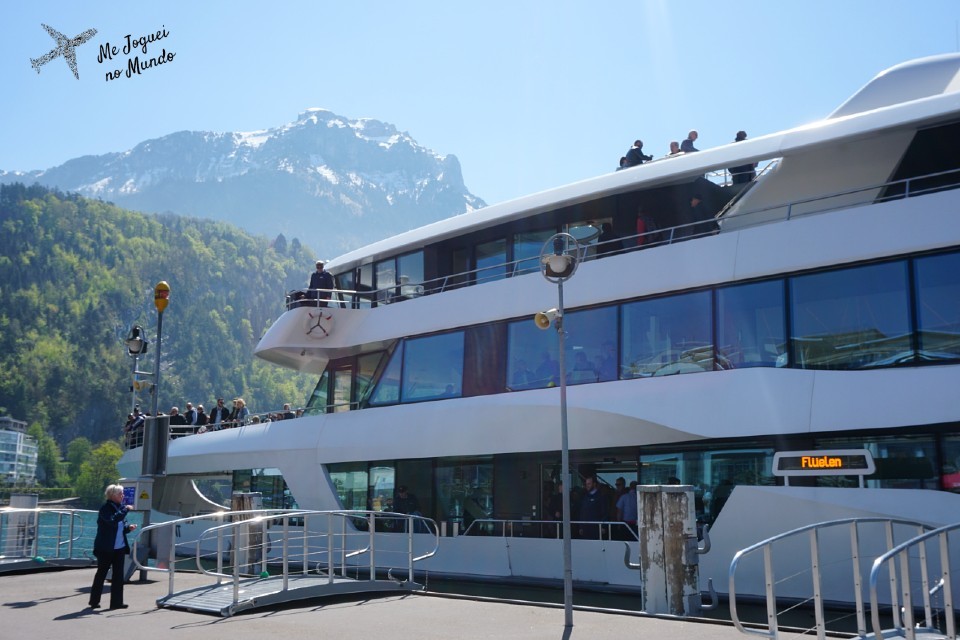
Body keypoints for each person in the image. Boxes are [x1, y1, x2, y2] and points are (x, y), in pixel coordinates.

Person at [89, 484, 137, 610]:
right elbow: (112, 521)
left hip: (119, 548)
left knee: (118, 576)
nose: (123, 496)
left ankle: (116, 602)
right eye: (121, 494)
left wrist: (128, 528)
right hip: (105, 548)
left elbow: (121, 526)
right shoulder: (105, 509)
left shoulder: (120, 508)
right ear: (113, 495)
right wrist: (126, 509)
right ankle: (94, 601)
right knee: (102, 573)